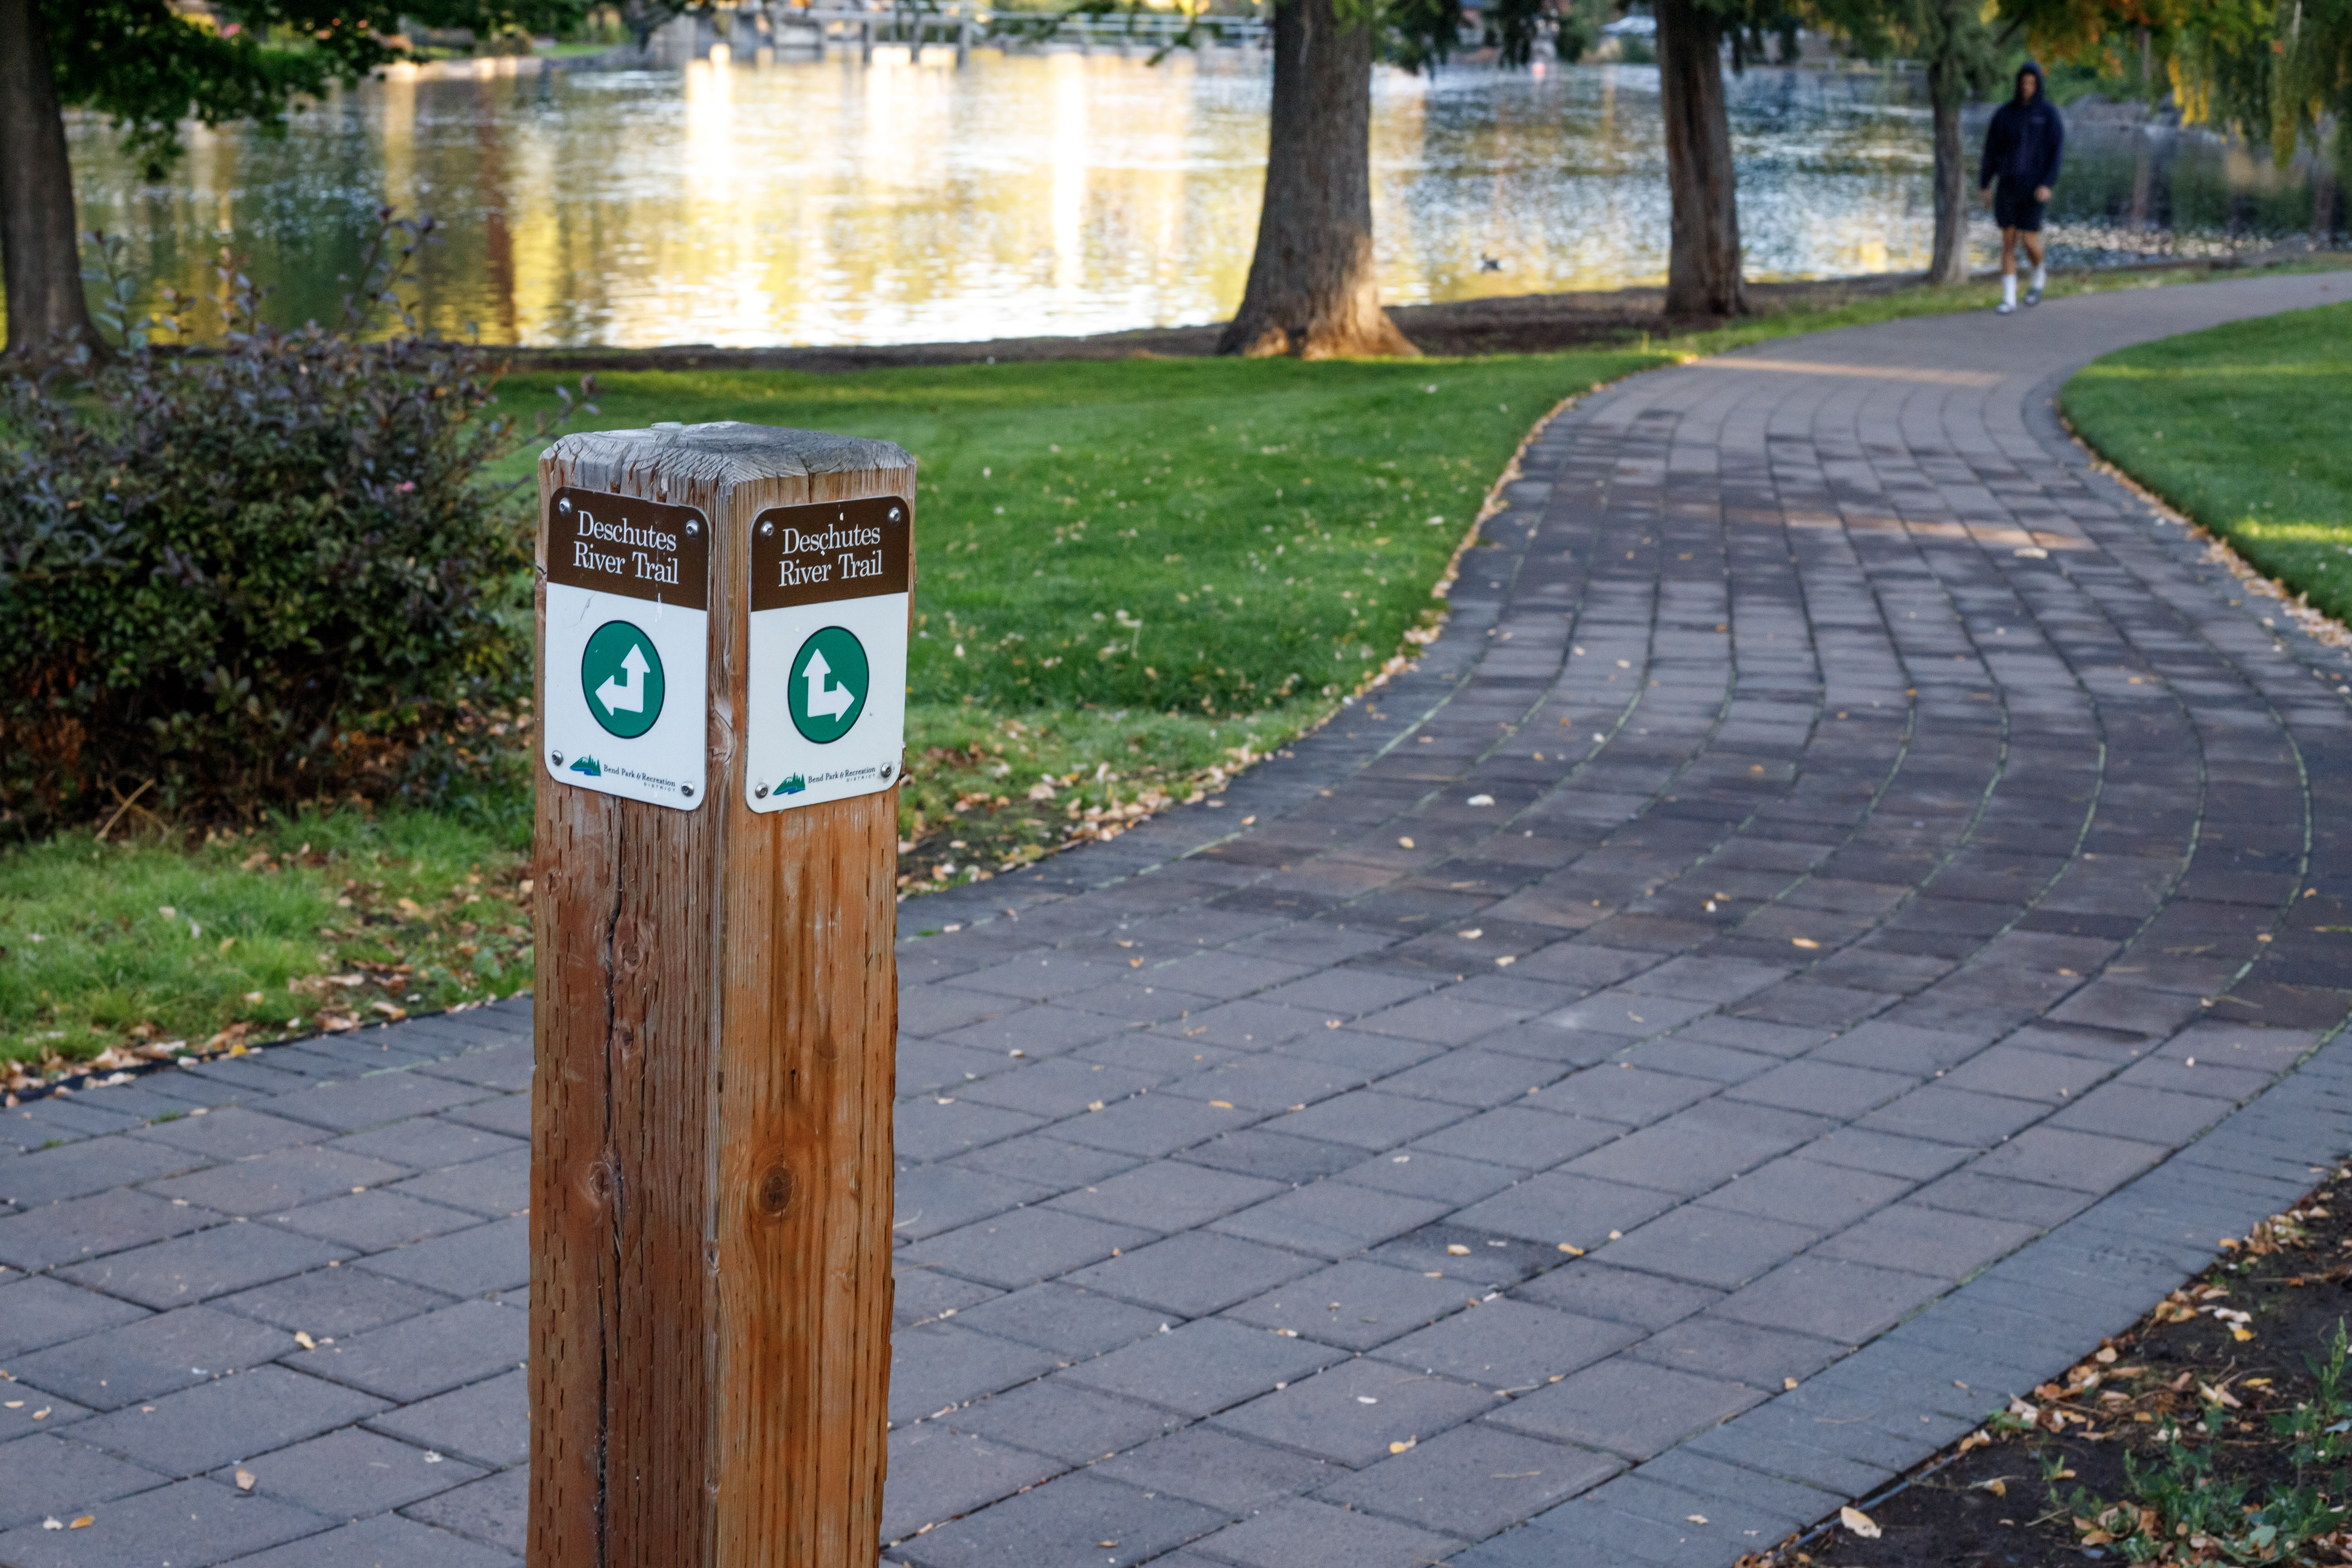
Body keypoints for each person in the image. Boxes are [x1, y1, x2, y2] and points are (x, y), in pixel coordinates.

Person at [1979, 62, 2065, 315]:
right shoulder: (2004, 115)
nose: (2027, 88)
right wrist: (1985, 184)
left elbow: (2056, 152)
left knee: (2029, 242)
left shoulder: (2048, 115)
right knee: (2008, 242)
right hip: (2008, 186)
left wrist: (2048, 184)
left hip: (2035, 188)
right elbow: (1991, 152)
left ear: (2038, 85)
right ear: (2018, 84)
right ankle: (2009, 299)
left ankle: (2039, 272)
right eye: (2024, 83)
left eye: (2032, 83)